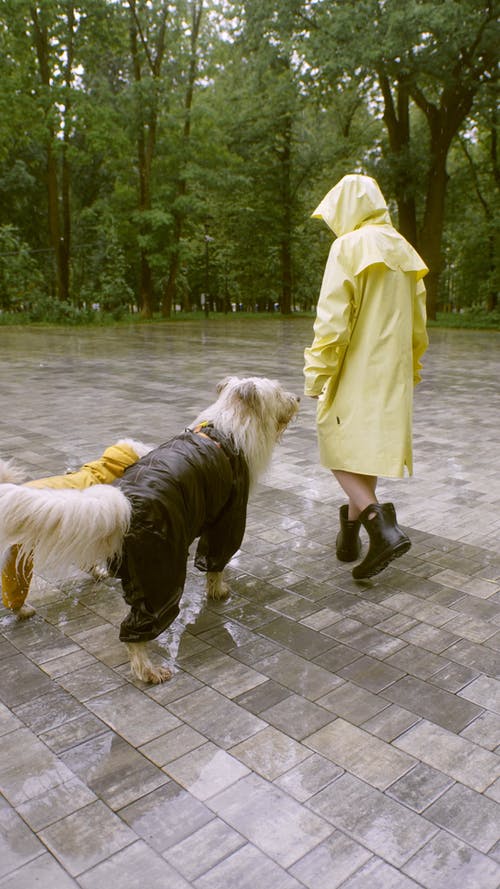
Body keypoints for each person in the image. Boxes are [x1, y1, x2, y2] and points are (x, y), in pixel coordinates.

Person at [304, 173, 429, 579]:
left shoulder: (348, 246)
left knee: (334, 443)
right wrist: (411, 368)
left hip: (356, 367)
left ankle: (383, 528)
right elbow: (418, 324)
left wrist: (317, 376)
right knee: (364, 449)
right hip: (392, 371)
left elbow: (331, 322)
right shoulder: (405, 251)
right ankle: (349, 540)